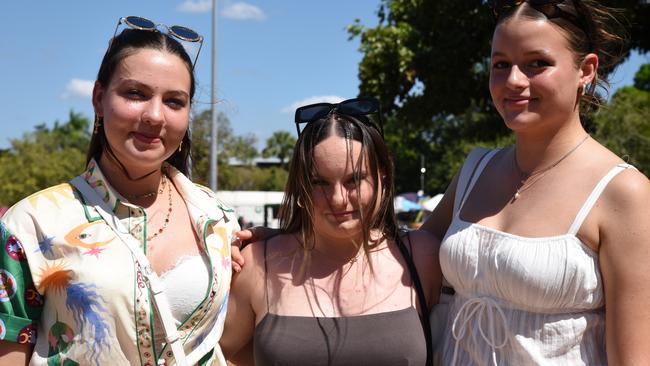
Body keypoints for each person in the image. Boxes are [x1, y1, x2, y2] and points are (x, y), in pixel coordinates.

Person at [418, 0, 650, 364]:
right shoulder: (474, 169)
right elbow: (412, 254)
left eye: (536, 63)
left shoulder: (623, 192)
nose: (513, 80)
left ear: (586, 70)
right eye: (500, 64)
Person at [0, 16, 238, 366]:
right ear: (99, 98)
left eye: (174, 101)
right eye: (136, 94)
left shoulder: (218, 219)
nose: (155, 115)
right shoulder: (31, 224)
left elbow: (237, 341)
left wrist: (270, 249)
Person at [220, 98, 442, 366]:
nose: (338, 199)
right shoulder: (258, 263)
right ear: (301, 184)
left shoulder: (423, 257)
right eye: (319, 182)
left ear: (382, 177)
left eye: (354, 180)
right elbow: (219, 356)